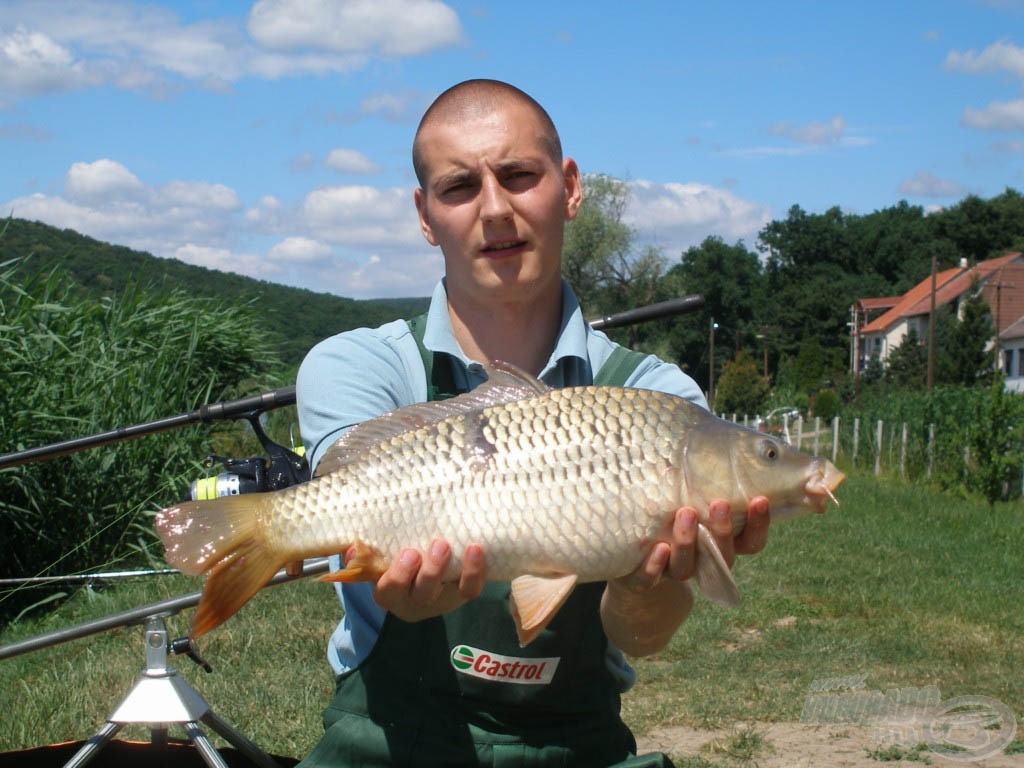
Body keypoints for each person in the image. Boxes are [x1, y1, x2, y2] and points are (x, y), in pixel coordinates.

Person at [295, 79, 770, 768]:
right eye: (459, 187)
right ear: (424, 215)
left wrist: (645, 580)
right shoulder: (357, 366)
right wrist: (392, 585)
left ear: (570, 187)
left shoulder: (657, 398)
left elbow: (642, 637)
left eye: (519, 175)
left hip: (576, 745)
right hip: (387, 740)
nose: (495, 210)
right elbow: (352, 514)